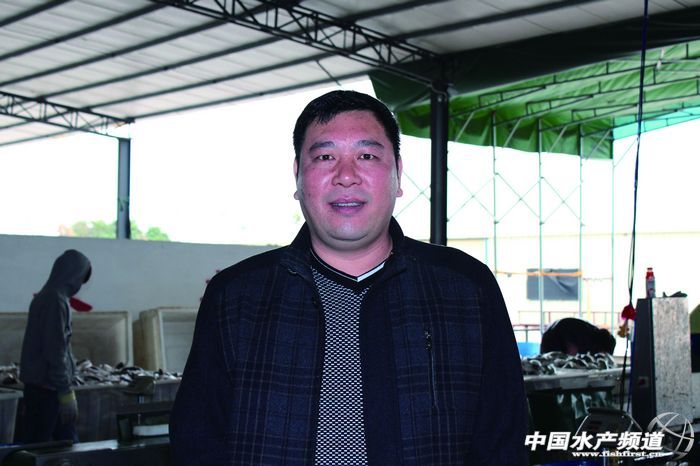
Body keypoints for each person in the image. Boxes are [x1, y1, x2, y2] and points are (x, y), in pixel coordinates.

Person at [170, 90, 528, 464]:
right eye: (325, 157)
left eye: (367, 156)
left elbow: (503, 444)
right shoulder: (236, 297)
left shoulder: (466, 289)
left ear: (398, 174)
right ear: (297, 176)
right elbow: (197, 445)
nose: (345, 176)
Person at [19, 249, 92, 443]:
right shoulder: (54, 301)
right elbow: (55, 351)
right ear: (73, 276)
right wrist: (65, 392)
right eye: (81, 278)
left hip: (45, 388)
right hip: (47, 391)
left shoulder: (49, 297)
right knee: (52, 447)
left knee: (54, 444)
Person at [540, 317, 616, 355]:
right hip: (555, 338)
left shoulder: (593, 332)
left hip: (550, 334)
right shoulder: (589, 338)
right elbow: (572, 350)